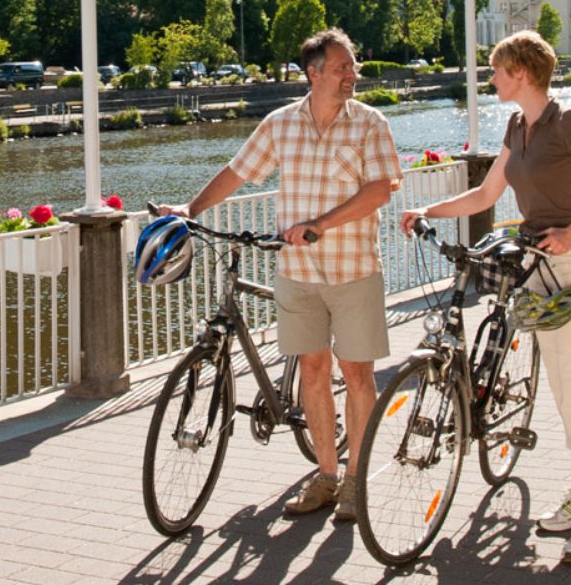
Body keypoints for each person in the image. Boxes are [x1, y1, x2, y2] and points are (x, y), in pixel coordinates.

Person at [399, 30, 571, 565]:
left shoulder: (566, 122)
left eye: (497, 70)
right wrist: (427, 212)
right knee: (561, 384)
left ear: (521, 72)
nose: (492, 78)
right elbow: (486, 194)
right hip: (534, 266)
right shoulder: (517, 125)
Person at [155, 28, 399, 522]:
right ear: (313, 73)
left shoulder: (370, 124)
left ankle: (356, 482)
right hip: (298, 272)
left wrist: (321, 224)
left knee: (356, 374)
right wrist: (191, 208)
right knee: (312, 370)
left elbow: (381, 191)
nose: (353, 74)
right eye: (342, 68)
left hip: (353, 270)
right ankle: (327, 476)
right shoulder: (280, 124)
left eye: (352, 66)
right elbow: (238, 172)